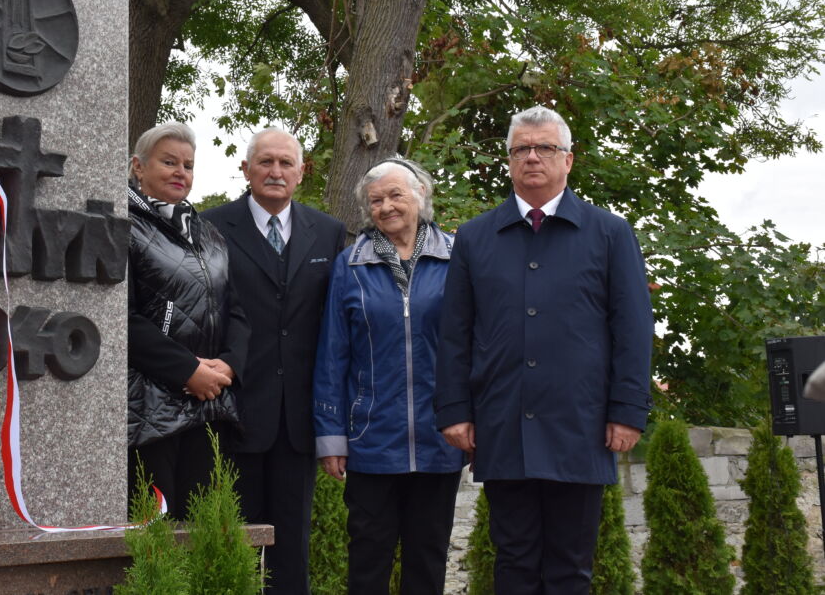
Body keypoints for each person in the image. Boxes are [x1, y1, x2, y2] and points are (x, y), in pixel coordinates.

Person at [434, 105, 653, 595]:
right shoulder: (474, 237)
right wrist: (454, 410)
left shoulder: (609, 233)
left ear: (567, 160)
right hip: (503, 424)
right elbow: (455, 333)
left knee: (570, 567)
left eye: (544, 148)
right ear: (509, 161)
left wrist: (628, 410)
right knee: (513, 561)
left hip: (582, 425)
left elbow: (634, 329)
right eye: (521, 149)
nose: (532, 157)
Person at [203, 127, 345, 594]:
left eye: (286, 163)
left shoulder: (328, 232)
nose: (276, 171)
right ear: (246, 169)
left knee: (291, 549)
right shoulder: (212, 227)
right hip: (232, 409)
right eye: (265, 162)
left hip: (298, 418)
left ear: (301, 173)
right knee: (233, 545)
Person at [313, 158, 464, 595]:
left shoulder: (457, 258)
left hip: (442, 438)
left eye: (396, 195)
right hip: (370, 440)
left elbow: (474, 348)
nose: (386, 207)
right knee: (368, 557)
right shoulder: (350, 265)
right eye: (376, 200)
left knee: (429, 556)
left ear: (421, 197)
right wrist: (331, 435)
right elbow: (332, 355)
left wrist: (473, 421)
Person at [127, 121, 249, 519]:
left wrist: (228, 364)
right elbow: (120, 318)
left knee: (202, 536)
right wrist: (186, 369)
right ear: (138, 167)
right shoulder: (121, 223)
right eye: (169, 162)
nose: (181, 172)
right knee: (154, 540)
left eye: (189, 165)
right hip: (150, 410)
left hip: (210, 405)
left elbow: (236, 310)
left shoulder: (209, 233)